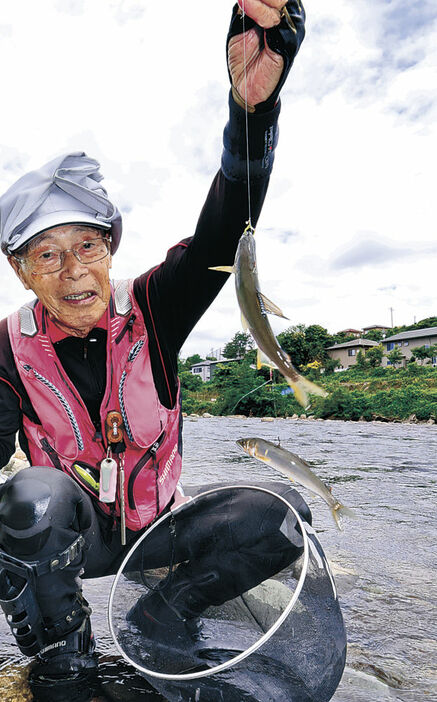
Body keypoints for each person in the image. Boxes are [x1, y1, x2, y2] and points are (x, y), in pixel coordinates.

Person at [0, 1, 308, 697]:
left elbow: (229, 218)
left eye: (86, 245)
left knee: (278, 516)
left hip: (159, 527)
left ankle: (166, 612)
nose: (72, 270)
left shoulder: (158, 304)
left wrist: (253, 115)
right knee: (29, 498)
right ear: (19, 270)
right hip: (75, 540)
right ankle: (63, 655)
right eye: (45, 255)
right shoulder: (3, 348)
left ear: (110, 248)